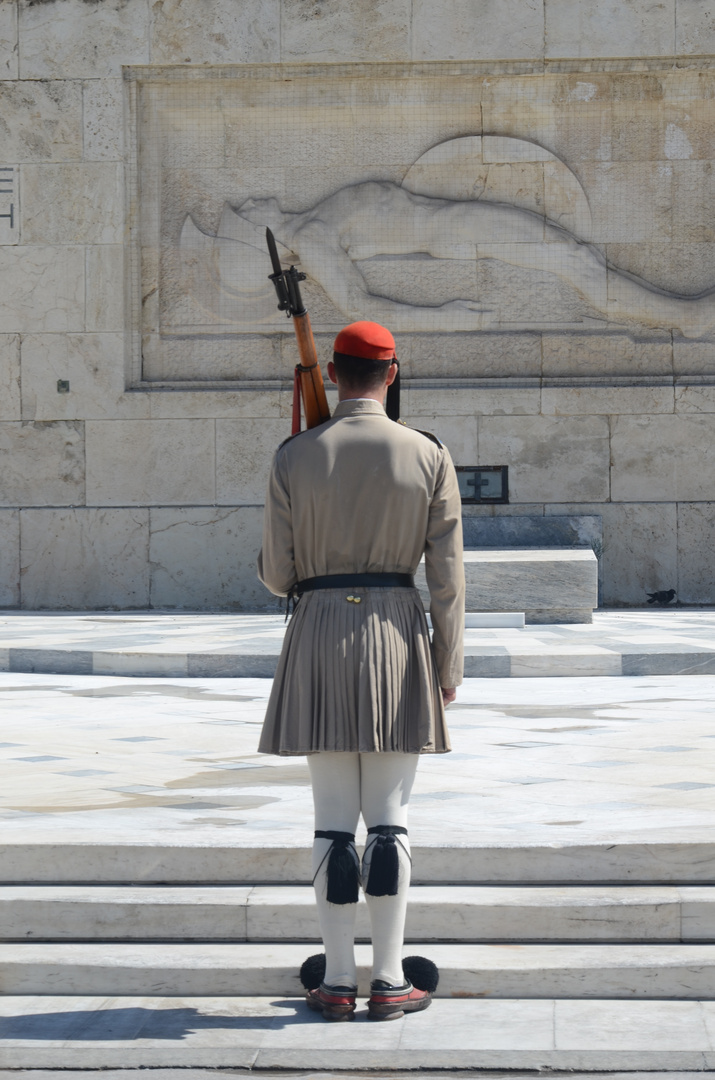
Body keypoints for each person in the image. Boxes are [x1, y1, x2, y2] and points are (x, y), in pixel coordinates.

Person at [257, 320, 465, 1022]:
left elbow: (275, 575)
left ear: (332, 376)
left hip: (317, 632)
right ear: (392, 374)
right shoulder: (427, 454)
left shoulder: (294, 454)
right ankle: (391, 976)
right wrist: (447, 663)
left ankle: (337, 978)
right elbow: (447, 578)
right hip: (396, 636)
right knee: (389, 819)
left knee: (330, 822)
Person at [236, 181, 715, 337]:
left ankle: (682, 313)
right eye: (243, 213)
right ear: (258, 235)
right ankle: (686, 317)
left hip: (457, 221)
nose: (250, 201)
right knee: (576, 259)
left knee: (576, 258)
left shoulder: (313, 219)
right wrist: (440, 319)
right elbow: (360, 309)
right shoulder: (313, 237)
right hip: (456, 228)